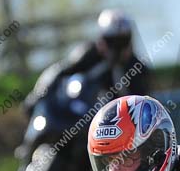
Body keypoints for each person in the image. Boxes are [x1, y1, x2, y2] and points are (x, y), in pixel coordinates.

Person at [23, 9, 151, 115]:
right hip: (79, 116)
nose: (116, 48)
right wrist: (36, 97)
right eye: (110, 41)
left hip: (116, 126)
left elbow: (144, 100)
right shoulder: (87, 54)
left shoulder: (137, 67)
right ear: (101, 39)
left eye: (122, 41)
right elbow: (58, 71)